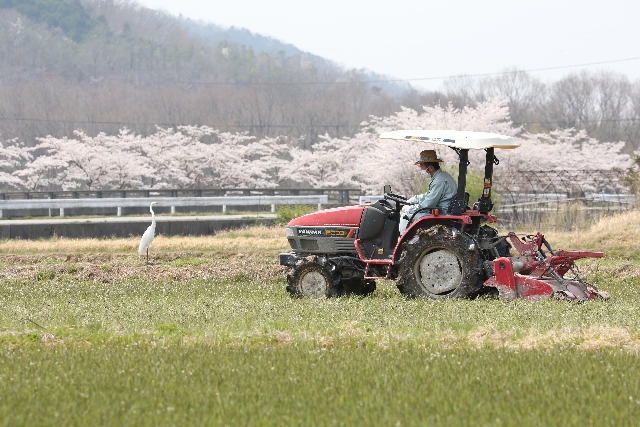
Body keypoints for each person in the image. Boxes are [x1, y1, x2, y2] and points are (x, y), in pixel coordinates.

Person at [398, 150, 457, 234]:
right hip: (444, 208)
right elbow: (429, 195)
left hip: (442, 211)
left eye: (421, 166)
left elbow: (428, 204)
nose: (421, 169)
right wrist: (415, 199)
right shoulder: (442, 176)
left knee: (405, 215)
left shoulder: (439, 181)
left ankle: (403, 243)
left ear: (431, 168)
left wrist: (410, 208)